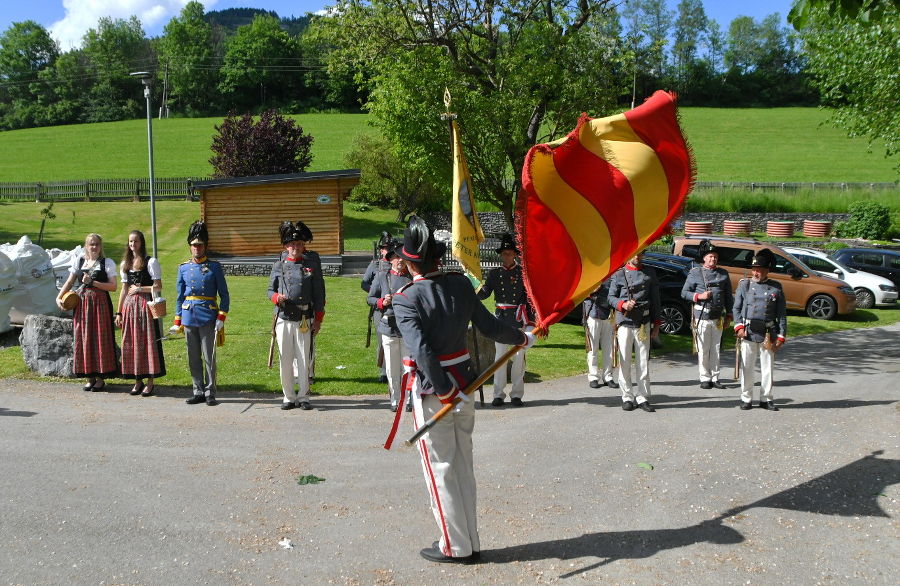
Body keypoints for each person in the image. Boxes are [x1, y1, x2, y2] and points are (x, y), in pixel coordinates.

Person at [391, 216, 535, 564]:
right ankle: (469, 539)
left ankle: (454, 547)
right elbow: (491, 327)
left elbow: (423, 351)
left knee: (441, 468)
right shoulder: (458, 285)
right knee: (462, 465)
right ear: (438, 258)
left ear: (410, 262)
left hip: (435, 392)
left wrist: (443, 391)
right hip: (465, 386)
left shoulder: (405, 298)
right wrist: (521, 337)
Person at [267, 220, 326, 411]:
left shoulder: (311, 265)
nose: (296, 248)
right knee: (285, 358)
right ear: (286, 246)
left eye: (299, 244)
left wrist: (318, 318)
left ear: (303, 246)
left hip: (304, 317)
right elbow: (270, 290)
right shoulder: (279, 265)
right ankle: (288, 396)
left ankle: (304, 396)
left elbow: (319, 293)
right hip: (284, 317)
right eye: (292, 245)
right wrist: (276, 297)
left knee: (303, 358)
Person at [172, 221, 230, 406]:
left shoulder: (214, 267)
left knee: (208, 356)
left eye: (200, 245)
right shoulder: (183, 268)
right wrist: (177, 320)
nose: (197, 248)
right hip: (189, 316)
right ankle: (197, 390)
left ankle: (210, 392)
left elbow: (225, 295)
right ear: (190, 247)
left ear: (205, 246)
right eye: (194, 245)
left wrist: (221, 317)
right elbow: (180, 296)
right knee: (193, 356)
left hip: (208, 315)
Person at [56, 233, 119, 391]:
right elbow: (70, 281)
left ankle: (100, 377)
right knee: (84, 337)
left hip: (100, 303)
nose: (94, 247)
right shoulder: (80, 260)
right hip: (82, 304)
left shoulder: (107, 263)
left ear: (100, 246)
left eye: (97, 244)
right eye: (91, 244)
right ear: (86, 246)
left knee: (99, 337)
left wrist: (93, 282)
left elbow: (113, 286)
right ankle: (89, 375)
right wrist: (59, 297)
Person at [477, 234, 532, 407]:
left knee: (518, 357)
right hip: (500, 320)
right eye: (504, 253)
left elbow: (530, 298)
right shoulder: (495, 274)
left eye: (509, 253)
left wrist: (531, 321)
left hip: (517, 318)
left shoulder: (523, 273)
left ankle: (516, 394)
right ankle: (498, 394)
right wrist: (471, 288)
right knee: (499, 357)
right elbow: (485, 293)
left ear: (515, 254)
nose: (507, 256)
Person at [733, 248, 786, 411]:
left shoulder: (776, 287)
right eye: (754, 269)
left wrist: (782, 335)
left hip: (768, 333)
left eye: (759, 270)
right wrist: (739, 327)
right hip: (748, 331)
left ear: (766, 270)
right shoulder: (745, 284)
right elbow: (736, 308)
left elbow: (782, 314)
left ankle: (766, 398)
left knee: (767, 367)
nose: (756, 272)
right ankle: (746, 398)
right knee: (747, 367)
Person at [608, 253, 661, 412]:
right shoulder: (619, 273)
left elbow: (656, 300)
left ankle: (642, 396)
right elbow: (610, 297)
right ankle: (627, 396)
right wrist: (622, 304)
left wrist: (657, 324)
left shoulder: (649, 273)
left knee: (643, 362)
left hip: (643, 323)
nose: (638, 256)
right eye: (635, 253)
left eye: (641, 252)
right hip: (625, 322)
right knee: (624, 361)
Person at [115, 230, 165, 396]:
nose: (132, 244)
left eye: (135, 241)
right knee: (132, 342)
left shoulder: (150, 262)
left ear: (141, 243)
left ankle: (150, 381)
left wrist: (140, 289)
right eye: (130, 242)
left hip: (145, 306)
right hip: (129, 308)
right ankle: (137, 380)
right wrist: (119, 312)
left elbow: (158, 286)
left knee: (147, 342)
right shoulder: (125, 264)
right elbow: (123, 290)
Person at [681, 241, 733, 390]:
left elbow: (728, 296)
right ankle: (705, 377)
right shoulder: (695, 272)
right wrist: (700, 296)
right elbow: (684, 293)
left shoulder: (723, 273)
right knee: (703, 349)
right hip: (701, 316)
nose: (713, 259)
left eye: (715, 257)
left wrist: (729, 315)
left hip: (718, 317)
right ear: (704, 258)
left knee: (715, 348)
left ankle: (715, 377)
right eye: (710, 256)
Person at [367, 242, 412, 412]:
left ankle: (408, 399)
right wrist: (381, 302)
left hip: (407, 327)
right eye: (396, 257)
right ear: (390, 259)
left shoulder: (411, 278)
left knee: (408, 366)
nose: (400, 260)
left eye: (402, 257)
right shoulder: (381, 277)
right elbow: (370, 298)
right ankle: (395, 399)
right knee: (392, 367)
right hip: (389, 326)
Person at [362, 231, 393, 384]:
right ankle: (383, 371)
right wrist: (377, 293)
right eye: (386, 248)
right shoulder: (375, 264)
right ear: (381, 250)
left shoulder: (399, 264)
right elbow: (364, 283)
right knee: (382, 340)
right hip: (379, 308)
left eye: (390, 248)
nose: (388, 250)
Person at [583, 279, 618, 389]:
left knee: (609, 350)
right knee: (593, 349)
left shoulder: (614, 273)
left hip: (609, 315)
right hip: (593, 314)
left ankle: (608, 376)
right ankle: (593, 377)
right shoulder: (593, 273)